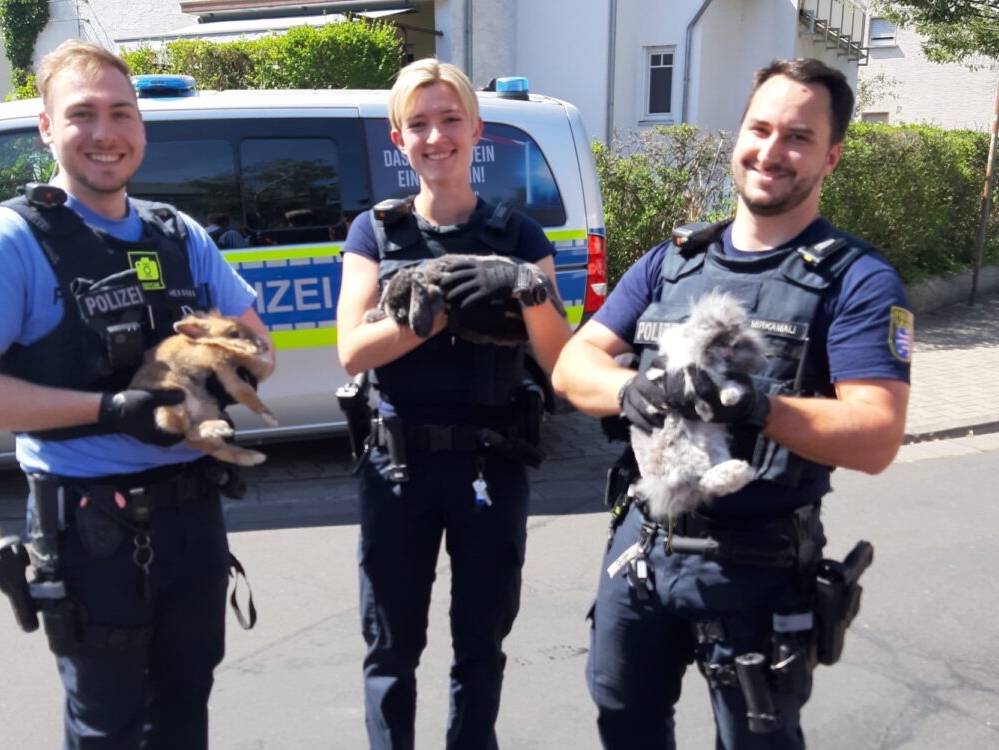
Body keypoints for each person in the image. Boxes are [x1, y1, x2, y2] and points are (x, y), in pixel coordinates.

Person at [0, 40, 273, 750]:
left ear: (141, 127)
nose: (106, 133)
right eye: (82, 114)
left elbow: (262, 355)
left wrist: (211, 358)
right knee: (108, 727)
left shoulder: (180, 235)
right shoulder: (12, 240)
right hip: (92, 533)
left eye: (121, 113)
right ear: (47, 129)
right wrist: (109, 411)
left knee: (184, 711)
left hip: (192, 520)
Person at [551, 58, 912, 749]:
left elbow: (875, 435)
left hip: (760, 569)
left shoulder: (857, 280)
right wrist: (632, 390)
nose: (772, 151)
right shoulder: (673, 261)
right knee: (624, 724)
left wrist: (753, 407)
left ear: (831, 155)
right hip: (643, 550)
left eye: (799, 137)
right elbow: (574, 365)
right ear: (736, 135)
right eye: (760, 128)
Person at [335, 58, 573, 749]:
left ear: (476, 130)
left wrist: (521, 283)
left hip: (490, 466)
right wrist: (438, 306)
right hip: (397, 469)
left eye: (449, 121)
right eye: (418, 124)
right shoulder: (373, 234)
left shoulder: (519, 238)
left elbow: (558, 358)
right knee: (391, 649)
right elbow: (353, 351)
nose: (435, 137)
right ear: (397, 137)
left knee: (480, 646)